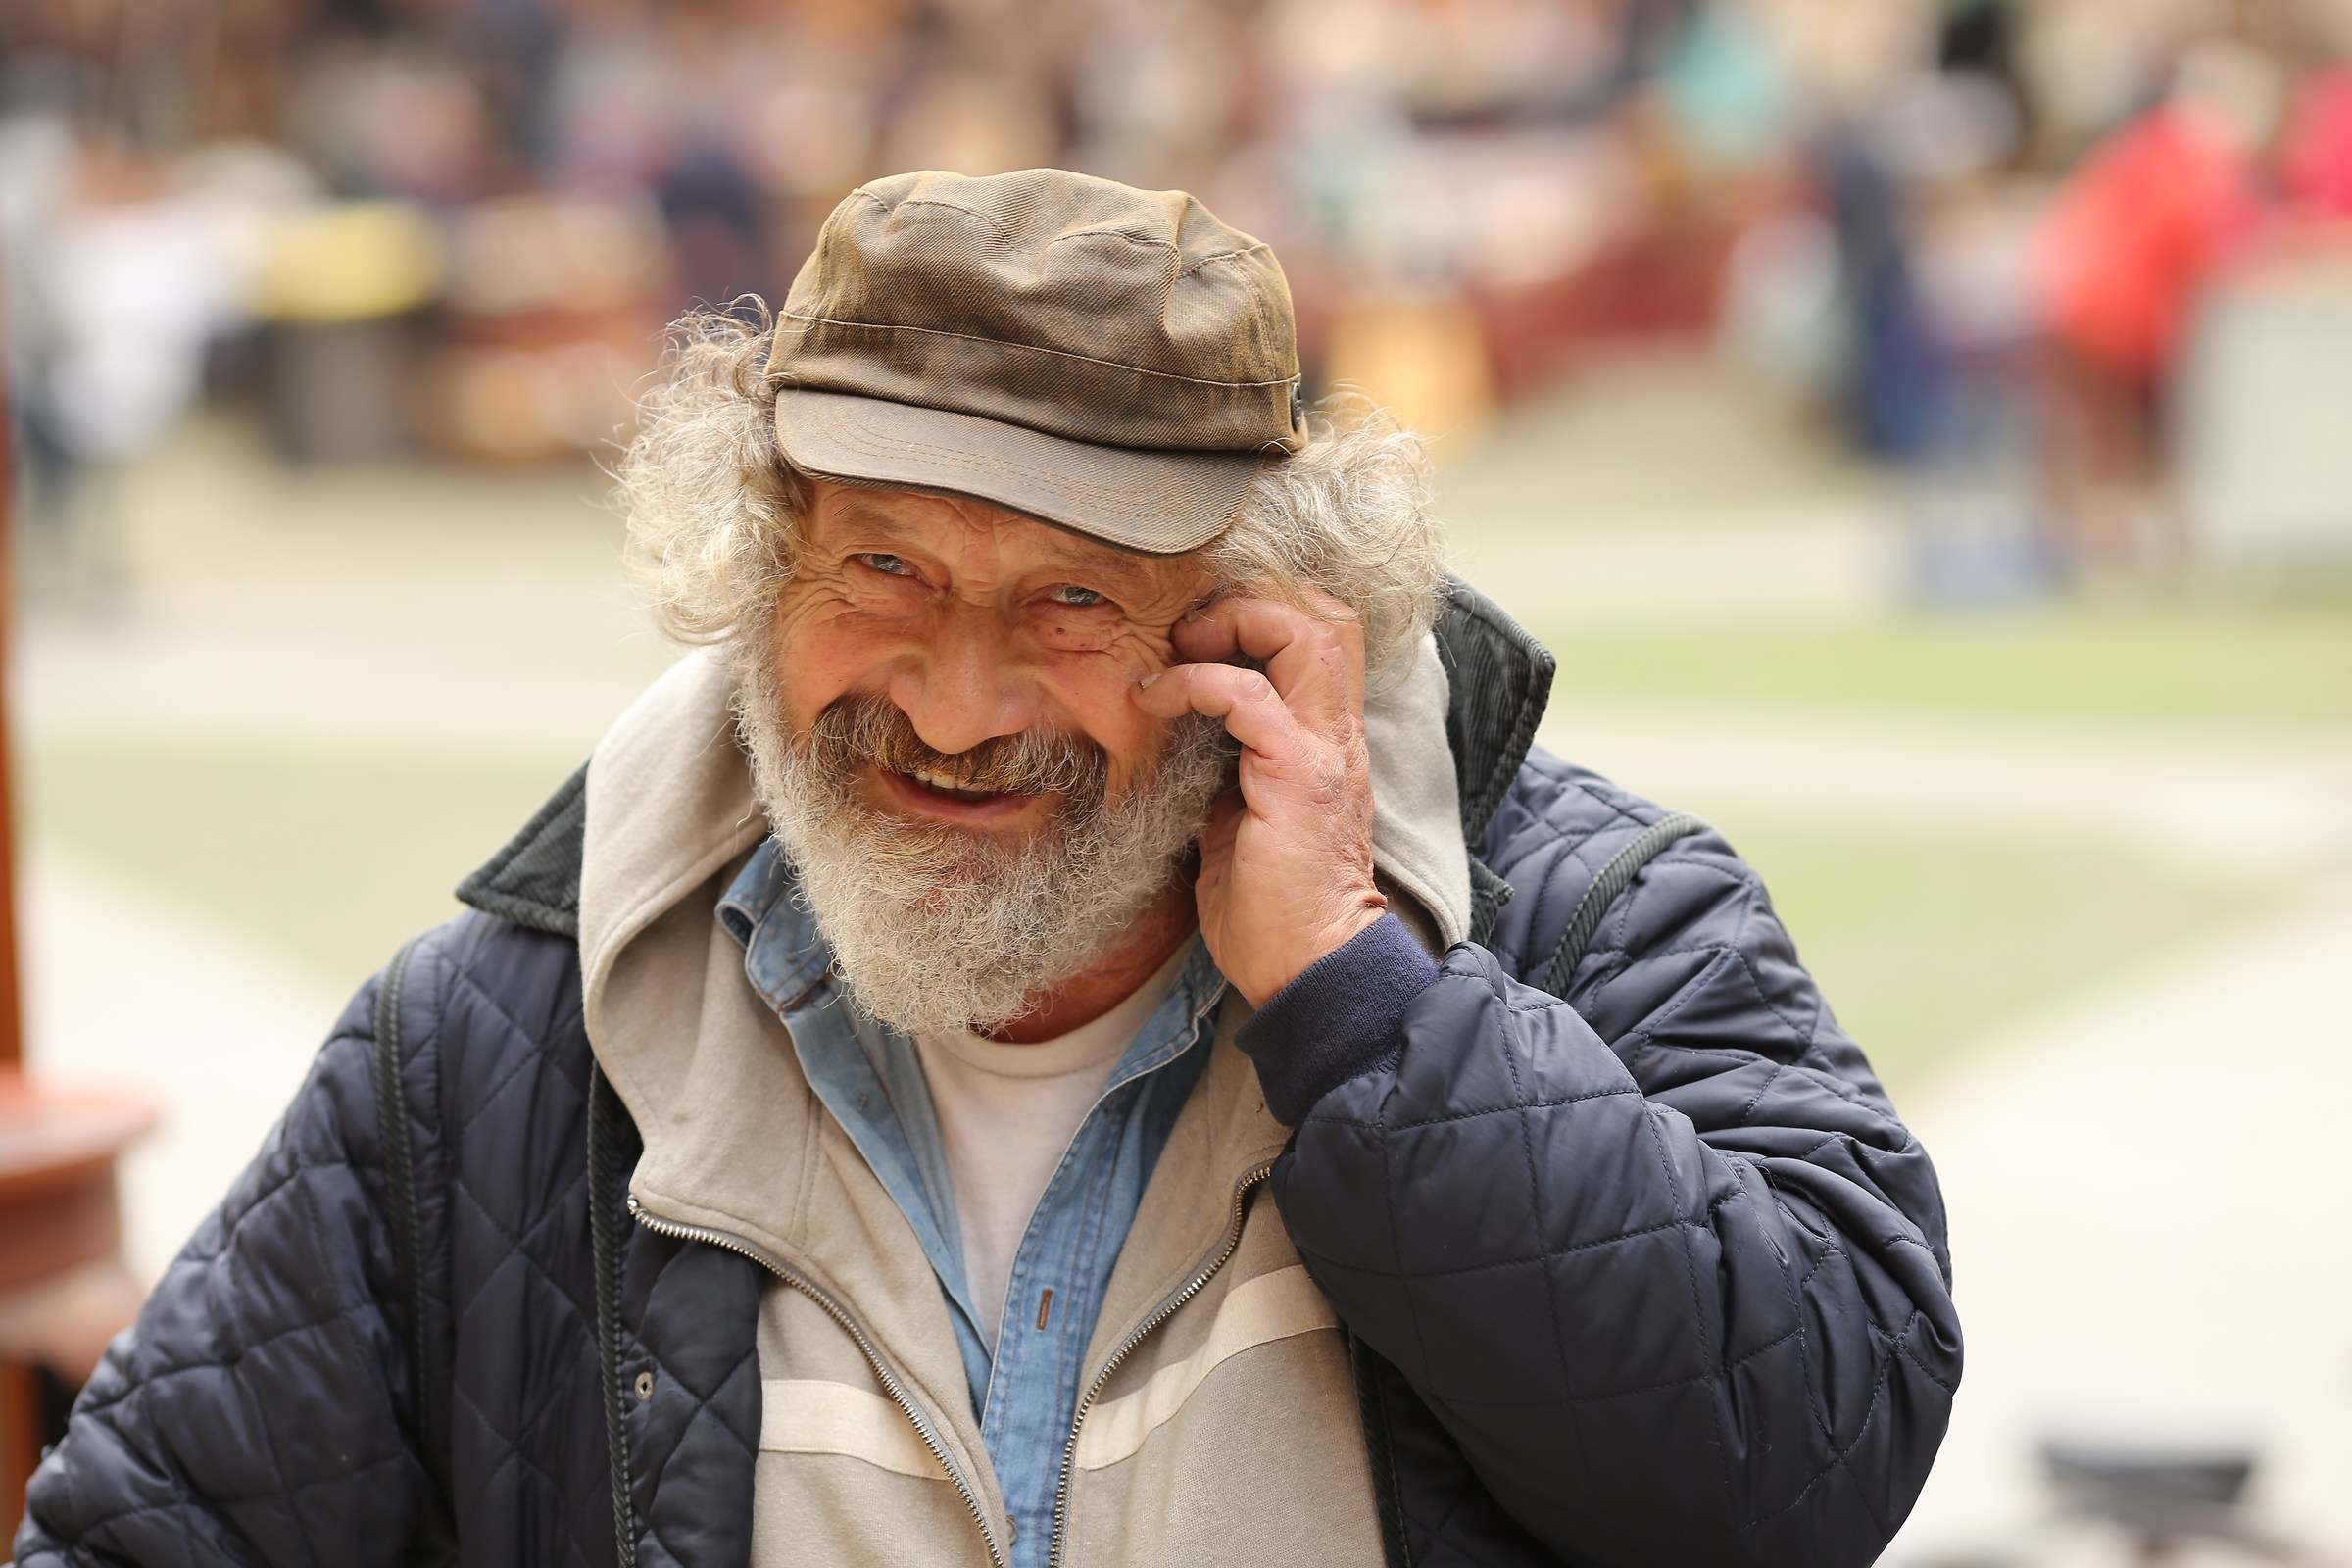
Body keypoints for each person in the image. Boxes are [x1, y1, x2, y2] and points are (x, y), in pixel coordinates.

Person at [13, 169, 1958, 1568]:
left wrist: (1363, 1005)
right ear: (760, 569)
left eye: (1072, 599)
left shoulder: (1587, 922)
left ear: (1267, 619)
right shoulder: (493, 1041)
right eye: (884, 567)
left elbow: (1805, 1472)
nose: (952, 700)